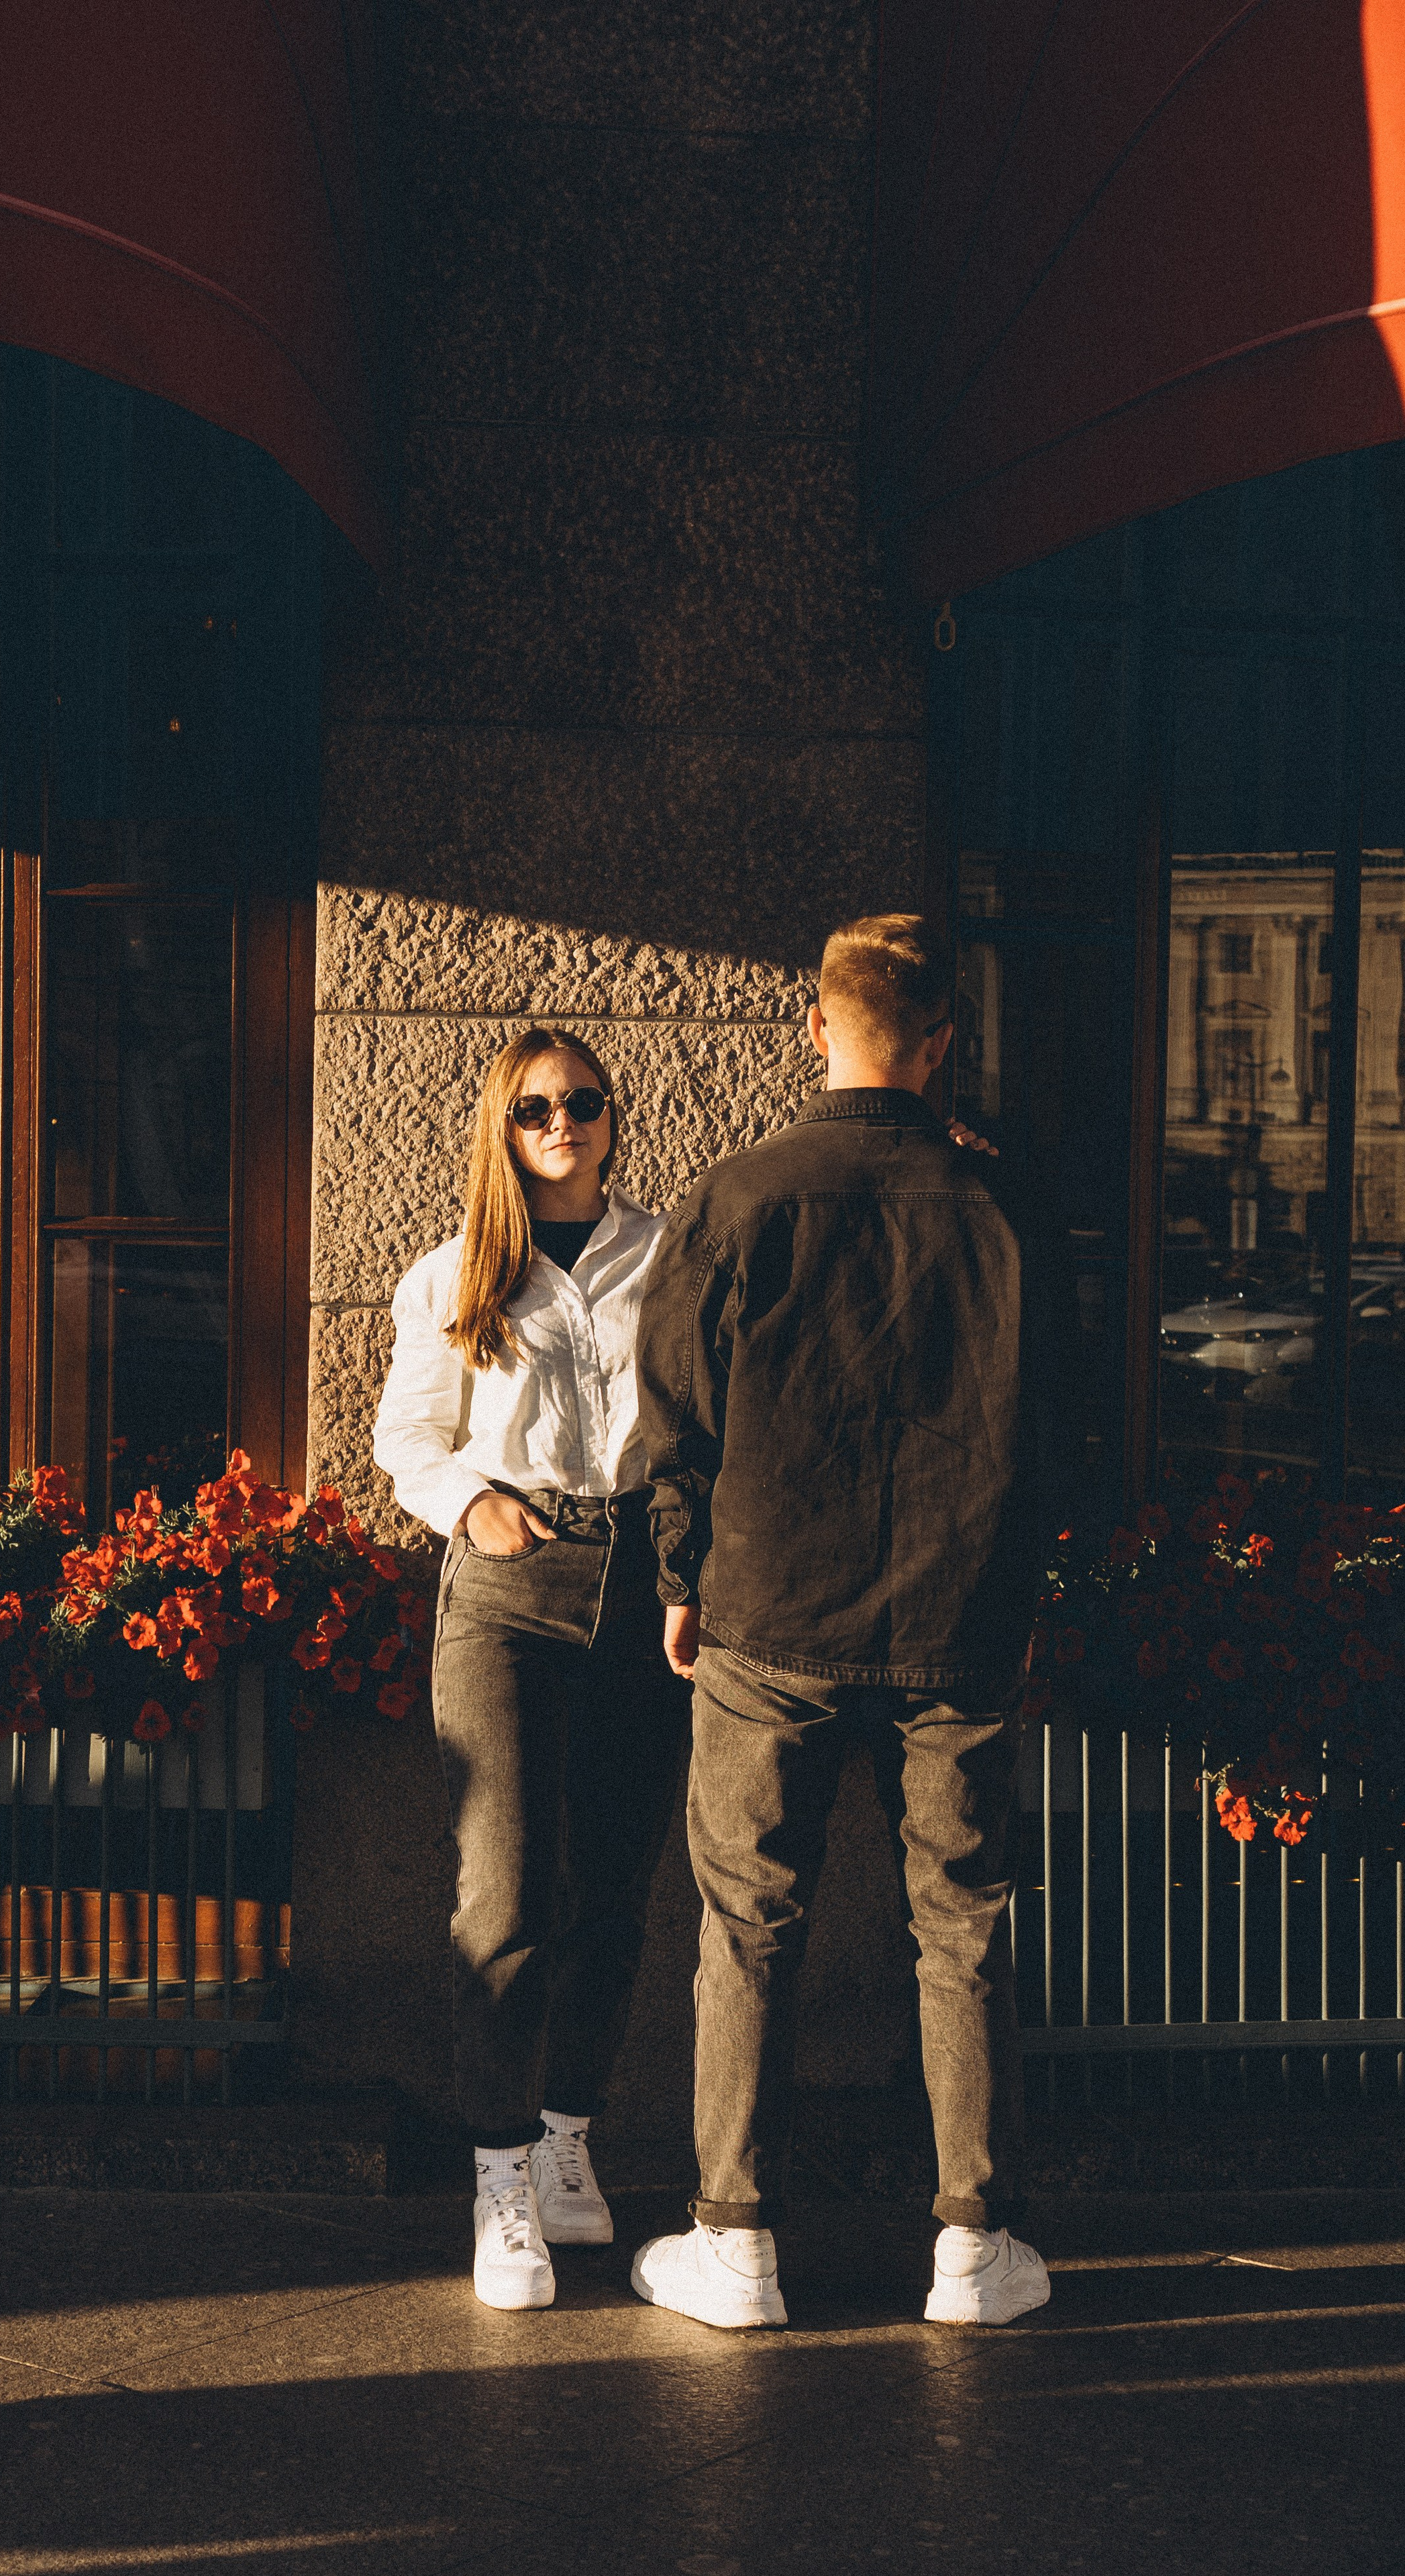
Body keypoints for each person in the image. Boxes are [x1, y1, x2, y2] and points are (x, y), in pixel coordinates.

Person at [631, 913, 1072, 2332]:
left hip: (768, 1621)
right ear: (943, 1038)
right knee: (959, 1928)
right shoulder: (1007, 1208)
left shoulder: (741, 1194)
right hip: (959, 1625)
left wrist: (679, 1579)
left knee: (748, 1925)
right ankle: (970, 2244)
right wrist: (1020, 1600)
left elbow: (672, 1419)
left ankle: (735, 2239)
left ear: (815, 1029)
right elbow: (1064, 1432)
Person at [372, 1027, 688, 2312]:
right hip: (508, 1588)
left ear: (614, 1119)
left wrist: (690, 1576)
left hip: (642, 1592)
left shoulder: (667, 1257)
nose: (562, 1123)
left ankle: (567, 2137)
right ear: (502, 1127)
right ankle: (499, 2180)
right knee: (501, 1892)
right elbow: (407, 1435)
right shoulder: (454, 1273)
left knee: (614, 1881)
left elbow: (698, 1428)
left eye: (584, 1103)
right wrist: (469, 1504)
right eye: (535, 1107)